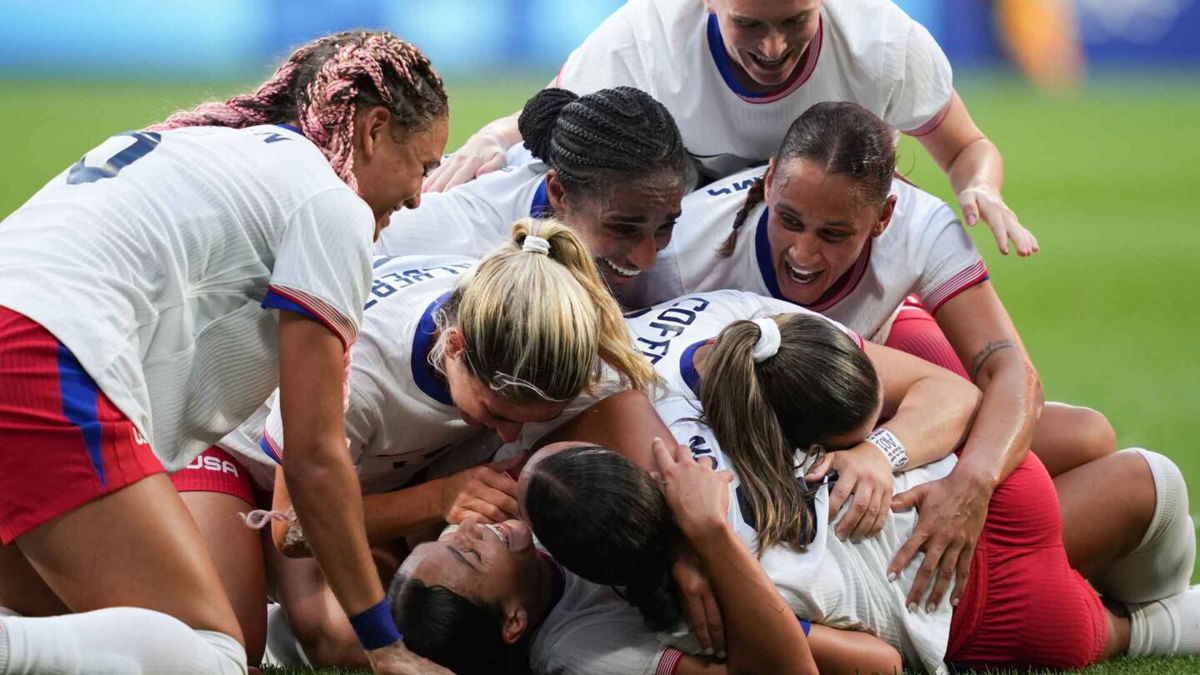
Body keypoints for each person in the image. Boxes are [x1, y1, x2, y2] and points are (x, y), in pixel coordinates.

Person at [389, 302, 1197, 673]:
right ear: (513, 619)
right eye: (460, 550)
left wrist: (702, 542)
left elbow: (871, 664)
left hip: (946, 549)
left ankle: (1157, 618)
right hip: (950, 521)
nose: (469, 524)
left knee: (1124, 495)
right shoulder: (628, 482)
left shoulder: (600, 534)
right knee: (1142, 477)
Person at [0, 30, 450, 674]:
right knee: (208, 656)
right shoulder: (329, 203)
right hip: (39, 355)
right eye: (424, 166)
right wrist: (386, 647)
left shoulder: (209, 145)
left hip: (30, 344)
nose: (416, 197)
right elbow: (314, 457)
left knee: (70, 628)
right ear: (373, 129)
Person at [628, 101, 1120, 608]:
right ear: (771, 181)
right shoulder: (680, 257)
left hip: (863, 385)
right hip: (759, 435)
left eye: (835, 234)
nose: (803, 252)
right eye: (790, 221)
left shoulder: (921, 227)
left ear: (884, 216)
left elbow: (1010, 368)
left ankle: (1039, 564)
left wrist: (963, 482)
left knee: (1086, 436)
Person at [235, 219, 658, 667]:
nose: (509, 435)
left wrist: (682, 554)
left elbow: (622, 410)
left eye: (534, 418)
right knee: (338, 634)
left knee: (429, 603)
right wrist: (440, 498)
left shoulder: (542, 330)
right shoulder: (361, 375)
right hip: (250, 461)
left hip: (377, 471)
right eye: (497, 413)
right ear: (454, 346)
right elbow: (292, 525)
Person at [426, 0, 1038, 257]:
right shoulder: (648, 36)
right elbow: (558, 115)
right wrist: (495, 137)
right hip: (688, 243)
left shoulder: (883, 43)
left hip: (832, 254)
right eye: (749, 24)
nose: (774, 47)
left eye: (795, 20)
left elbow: (967, 147)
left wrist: (979, 186)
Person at [379, 86, 688, 303]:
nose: (646, 260)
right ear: (558, 193)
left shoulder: (646, 183)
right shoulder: (433, 238)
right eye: (622, 228)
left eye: (665, 226)